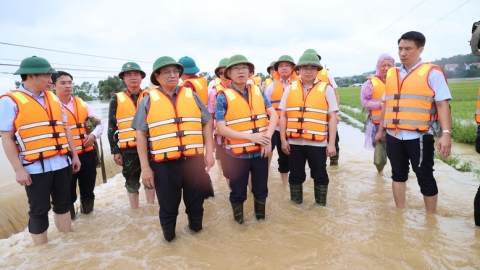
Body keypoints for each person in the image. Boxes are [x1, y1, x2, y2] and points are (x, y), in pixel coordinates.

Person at [0, 56, 81, 246]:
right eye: (47, 75)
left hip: (62, 163)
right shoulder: (9, 101)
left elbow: (65, 128)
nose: (50, 79)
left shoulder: (52, 97)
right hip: (35, 168)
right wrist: (18, 169)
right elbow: (6, 137)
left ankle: (67, 247)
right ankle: (41, 254)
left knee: (63, 204)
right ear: (30, 76)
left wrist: (75, 155)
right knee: (38, 210)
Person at [132, 56, 214, 242]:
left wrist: (209, 152)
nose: (172, 75)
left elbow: (207, 121)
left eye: (176, 71)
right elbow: (141, 135)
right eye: (167, 71)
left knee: (196, 205)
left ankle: (197, 244)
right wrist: (145, 167)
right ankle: (170, 244)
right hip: (165, 165)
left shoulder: (190, 95)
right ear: (157, 76)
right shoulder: (147, 100)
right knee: (168, 208)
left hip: (193, 162)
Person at [375, 31, 452, 214]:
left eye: (408, 48)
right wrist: (381, 130)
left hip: (419, 136)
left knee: (424, 175)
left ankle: (430, 218)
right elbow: (386, 105)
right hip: (393, 135)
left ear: (420, 49)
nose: (403, 53)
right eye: (400, 48)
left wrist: (446, 134)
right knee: (398, 174)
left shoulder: (432, 73)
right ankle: (400, 214)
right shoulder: (392, 74)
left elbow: (442, 105)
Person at [216, 55, 278, 224]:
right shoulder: (222, 97)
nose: (241, 71)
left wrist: (267, 138)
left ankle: (261, 223)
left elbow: (273, 114)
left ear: (250, 72)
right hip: (237, 155)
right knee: (237, 193)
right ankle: (239, 226)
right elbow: (221, 128)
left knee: (261, 190)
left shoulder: (258, 91)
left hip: (260, 153)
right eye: (236, 68)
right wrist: (250, 137)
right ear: (228, 73)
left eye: (244, 68)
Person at [279, 52, 338, 206]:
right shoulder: (290, 88)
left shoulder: (326, 89)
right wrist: (283, 140)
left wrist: (331, 143)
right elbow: (283, 116)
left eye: (313, 68)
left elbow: (332, 117)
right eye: (305, 68)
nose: (309, 71)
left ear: (318, 70)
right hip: (294, 143)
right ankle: (296, 209)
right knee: (296, 176)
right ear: (298, 69)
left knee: (320, 175)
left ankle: (320, 208)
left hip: (317, 143)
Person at [52, 71, 104, 219]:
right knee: (67, 193)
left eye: (70, 82)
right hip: (64, 157)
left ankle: (88, 220)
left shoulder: (82, 103)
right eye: (63, 83)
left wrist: (93, 135)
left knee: (88, 189)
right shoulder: (51, 106)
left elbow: (100, 123)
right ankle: (71, 222)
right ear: (53, 86)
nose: (68, 86)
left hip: (87, 154)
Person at [107, 62, 155, 209]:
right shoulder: (116, 99)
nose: (133, 77)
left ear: (141, 77)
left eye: (136, 74)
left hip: (149, 147)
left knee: (151, 179)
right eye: (129, 75)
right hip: (128, 150)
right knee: (131, 182)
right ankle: (135, 213)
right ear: (123, 78)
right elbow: (111, 126)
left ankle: (150, 210)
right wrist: (115, 151)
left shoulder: (150, 96)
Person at [178, 56, 214, 198]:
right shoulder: (201, 81)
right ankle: (208, 193)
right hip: (204, 124)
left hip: (193, 127)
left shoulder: (187, 85)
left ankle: (202, 192)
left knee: (195, 163)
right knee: (199, 161)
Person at [304, 48, 341, 166]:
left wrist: (336, 114)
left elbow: (335, 94)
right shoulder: (301, 76)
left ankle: (334, 163)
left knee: (333, 139)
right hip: (313, 118)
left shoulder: (327, 74)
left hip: (327, 113)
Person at [265, 55, 298, 187]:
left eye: (287, 65)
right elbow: (265, 108)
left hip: (296, 127)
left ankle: (295, 183)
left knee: (296, 158)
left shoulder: (300, 84)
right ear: (277, 69)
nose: (284, 68)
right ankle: (285, 185)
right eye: (281, 66)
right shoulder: (271, 87)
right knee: (282, 157)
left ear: (293, 68)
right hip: (279, 129)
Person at [360, 54, 395, 174]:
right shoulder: (370, 83)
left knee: (397, 153)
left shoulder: (398, 81)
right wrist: (382, 104)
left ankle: (397, 175)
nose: (386, 68)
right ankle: (381, 174)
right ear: (378, 66)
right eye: (383, 65)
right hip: (376, 124)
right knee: (380, 153)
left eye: (389, 65)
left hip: (395, 125)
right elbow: (365, 102)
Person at [208, 58, 231, 187]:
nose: (224, 75)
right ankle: (232, 192)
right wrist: (210, 137)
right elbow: (211, 116)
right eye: (221, 73)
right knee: (227, 171)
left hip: (243, 137)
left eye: (227, 71)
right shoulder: (213, 92)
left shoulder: (249, 90)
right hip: (221, 137)